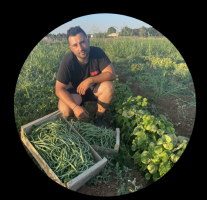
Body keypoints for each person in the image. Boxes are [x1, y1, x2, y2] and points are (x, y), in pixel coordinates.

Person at [55, 26, 116, 128]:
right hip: (75, 92)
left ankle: (99, 117)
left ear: (88, 41)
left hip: (94, 89)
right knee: (64, 110)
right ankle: (78, 109)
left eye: (82, 42)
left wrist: (90, 80)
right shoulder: (67, 62)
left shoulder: (97, 53)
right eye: (75, 45)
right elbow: (59, 89)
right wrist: (74, 107)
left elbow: (111, 74)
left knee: (109, 86)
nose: (81, 48)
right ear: (71, 48)